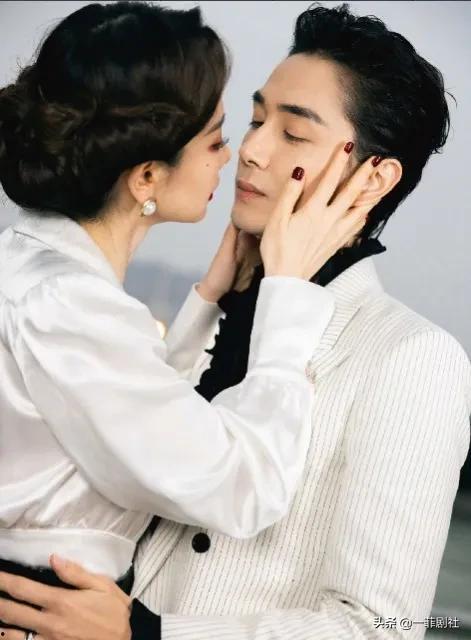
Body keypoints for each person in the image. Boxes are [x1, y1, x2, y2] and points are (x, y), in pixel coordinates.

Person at [1, 2, 470, 640]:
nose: (250, 150)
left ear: (374, 178)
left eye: (293, 134)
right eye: (253, 121)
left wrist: (152, 634)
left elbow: (386, 626)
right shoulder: (210, 310)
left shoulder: (410, 356)